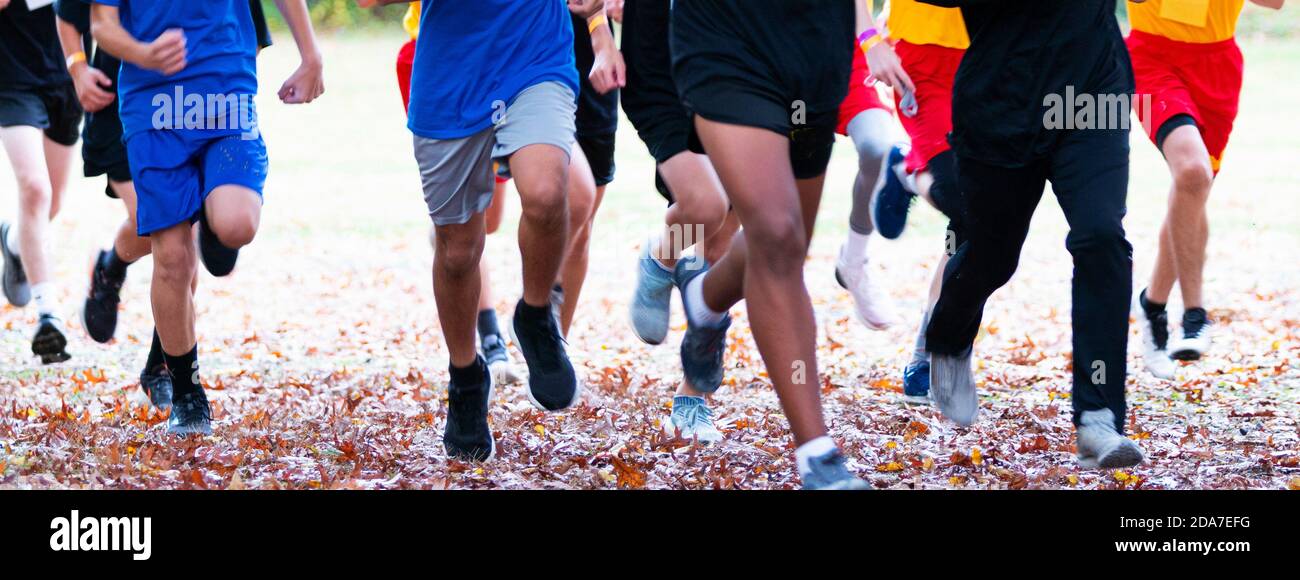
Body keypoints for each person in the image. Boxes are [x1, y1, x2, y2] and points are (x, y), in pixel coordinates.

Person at [671, 0, 906, 488]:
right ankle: (817, 453)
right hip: (725, 41)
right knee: (776, 235)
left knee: (783, 244)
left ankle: (704, 299)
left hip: (815, 54)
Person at [918, 0, 1143, 469]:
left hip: (1091, 96)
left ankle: (1098, 416)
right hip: (1001, 101)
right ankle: (948, 335)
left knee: (1101, 235)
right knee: (992, 254)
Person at [90, 0, 324, 435]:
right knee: (173, 257)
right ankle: (187, 395)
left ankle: (214, 218)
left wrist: (311, 54)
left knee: (237, 224)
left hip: (225, 93)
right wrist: (142, 53)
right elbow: (101, 24)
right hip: (154, 105)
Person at [387, 0, 582, 461]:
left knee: (547, 191)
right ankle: (466, 375)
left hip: (533, 54)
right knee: (458, 251)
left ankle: (535, 316)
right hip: (449, 73)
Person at [54, 0, 274, 410]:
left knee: (179, 247)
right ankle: (111, 266)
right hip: (124, 102)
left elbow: (251, 38)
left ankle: (164, 364)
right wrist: (78, 68)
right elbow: (70, 16)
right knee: (157, 229)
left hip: (200, 108)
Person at [597, 0, 737, 442]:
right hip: (658, 66)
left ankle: (691, 401)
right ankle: (662, 261)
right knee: (704, 207)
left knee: (720, 246)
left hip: (741, 65)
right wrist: (601, 35)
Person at [1128, 0, 1286, 379]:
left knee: (1192, 188)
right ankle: (1195, 314)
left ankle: (1153, 304)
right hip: (1151, 58)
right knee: (1193, 172)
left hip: (1217, 66)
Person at [393, 1, 522, 386]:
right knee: (470, 223)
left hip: (502, 56)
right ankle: (490, 339)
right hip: (433, 53)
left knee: (491, 220)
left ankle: (447, 235)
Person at [864, 0, 969, 403]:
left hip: (992, 58)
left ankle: (929, 351)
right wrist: (871, 40)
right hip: (921, 57)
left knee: (978, 224)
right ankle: (908, 175)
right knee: (965, 206)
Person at [0, 0, 82, 365]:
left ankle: (14, 240)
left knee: (51, 203)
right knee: (35, 188)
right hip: (12, 75)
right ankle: (48, 313)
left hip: (67, 72)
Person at [831, 28, 903, 332]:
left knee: (881, 149)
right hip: (772, 61)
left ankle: (854, 262)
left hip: (845, 55)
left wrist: (871, 38)